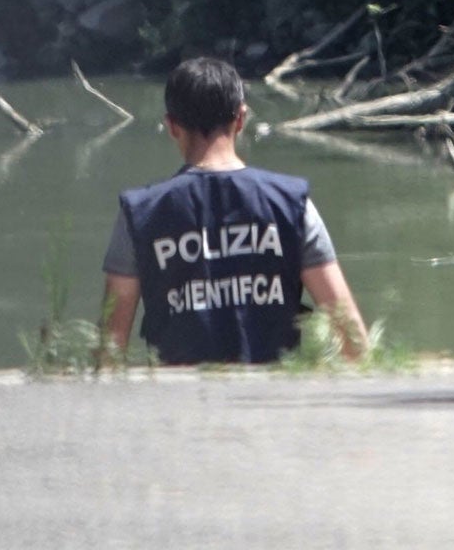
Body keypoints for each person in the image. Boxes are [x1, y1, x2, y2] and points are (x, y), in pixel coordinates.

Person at [99, 57, 368, 365]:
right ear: (241, 119)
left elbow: (110, 348)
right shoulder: (292, 205)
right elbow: (352, 338)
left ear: (172, 126)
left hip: (177, 404)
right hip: (272, 402)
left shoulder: (139, 214)